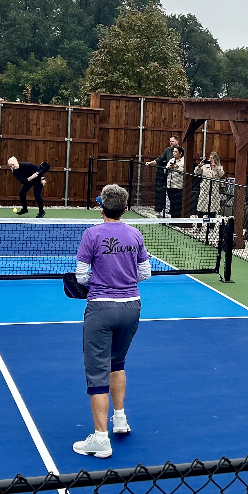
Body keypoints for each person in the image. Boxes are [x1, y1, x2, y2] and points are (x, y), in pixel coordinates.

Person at [72, 184, 152, 459]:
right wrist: (123, 280)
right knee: (117, 363)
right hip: (131, 307)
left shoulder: (91, 234)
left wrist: (101, 282)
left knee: (97, 374)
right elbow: (145, 273)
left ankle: (101, 440)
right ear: (125, 208)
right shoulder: (135, 233)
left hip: (101, 309)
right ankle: (119, 420)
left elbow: (81, 276)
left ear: (102, 208)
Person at [144, 136, 180, 215]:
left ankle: (175, 213)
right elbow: (159, 159)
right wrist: (150, 163)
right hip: (169, 176)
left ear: (177, 141)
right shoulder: (167, 150)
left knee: (176, 195)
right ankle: (166, 211)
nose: (171, 143)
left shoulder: (182, 150)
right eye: (170, 141)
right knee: (168, 194)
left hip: (178, 177)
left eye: (173, 141)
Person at [195, 151, 225, 217]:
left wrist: (216, 168)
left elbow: (221, 174)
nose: (211, 159)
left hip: (214, 189)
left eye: (213, 158)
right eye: (210, 158)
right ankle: (199, 223)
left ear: (216, 159)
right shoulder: (205, 166)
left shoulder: (219, 167)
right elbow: (196, 172)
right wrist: (199, 166)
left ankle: (211, 225)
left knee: (213, 207)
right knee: (201, 205)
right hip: (205, 188)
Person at [164, 146, 186, 218]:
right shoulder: (171, 160)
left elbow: (184, 172)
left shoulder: (184, 161)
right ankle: (172, 218)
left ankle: (177, 218)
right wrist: (169, 168)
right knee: (172, 202)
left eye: (176, 152)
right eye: (173, 151)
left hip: (178, 185)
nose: (174, 153)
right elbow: (165, 171)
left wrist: (177, 167)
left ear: (180, 153)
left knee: (177, 203)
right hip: (170, 185)